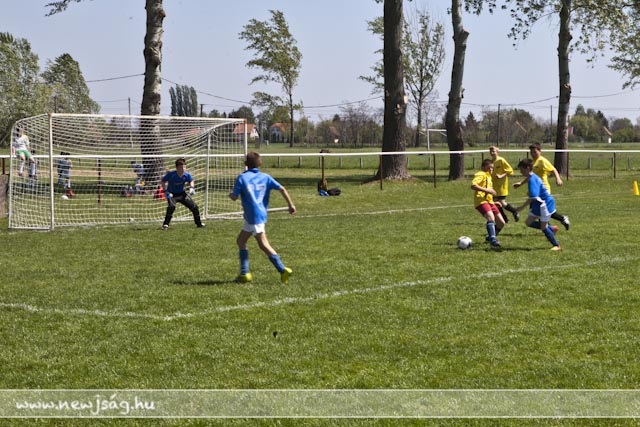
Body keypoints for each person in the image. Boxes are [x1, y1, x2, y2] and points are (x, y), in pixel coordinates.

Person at [229, 151, 296, 284]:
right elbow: (282, 189)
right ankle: (244, 273)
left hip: (253, 217)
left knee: (264, 245)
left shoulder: (242, 178)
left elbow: (234, 197)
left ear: (245, 163)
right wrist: (291, 205)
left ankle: (282, 270)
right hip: (256, 216)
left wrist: (231, 194)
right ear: (260, 163)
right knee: (241, 241)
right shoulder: (265, 177)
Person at [513, 143, 570, 230]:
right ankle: (557, 223)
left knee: (541, 212)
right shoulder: (532, 163)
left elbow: (553, 170)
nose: (533, 154)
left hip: (544, 189)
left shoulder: (542, 161)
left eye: (535, 152)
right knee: (541, 212)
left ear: (540, 151)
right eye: (531, 152)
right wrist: (521, 183)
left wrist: (558, 179)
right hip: (536, 190)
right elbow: (531, 176)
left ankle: (551, 228)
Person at [514, 158, 561, 251]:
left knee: (543, 227)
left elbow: (533, 197)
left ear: (527, 168)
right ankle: (552, 228)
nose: (520, 172)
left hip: (545, 204)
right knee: (528, 222)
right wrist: (520, 183)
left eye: (521, 169)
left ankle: (556, 245)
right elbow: (528, 179)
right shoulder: (531, 176)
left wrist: (521, 207)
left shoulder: (533, 180)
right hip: (538, 204)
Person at [160, 158, 205, 229]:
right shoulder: (171, 175)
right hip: (172, 195)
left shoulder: (186, 175)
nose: (183, 169)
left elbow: (191, 180)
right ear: (177, 168)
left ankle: (199, 224)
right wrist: (165, 191)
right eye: (181, 167)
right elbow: (163, 181)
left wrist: (192, 188)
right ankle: (165, 224)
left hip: (182, 194)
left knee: (195, 207)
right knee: (171, 207)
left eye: (184, 167)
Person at [471, 158, 505, 249]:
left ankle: (490, 237)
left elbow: (488, 192)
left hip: (489, 202)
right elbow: (473, 185)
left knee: (501, 223)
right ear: (483, 167)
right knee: (491, 218)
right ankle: (493, 240)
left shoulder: (489, 177)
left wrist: (494, 202)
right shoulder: (481, 174)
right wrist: (487, 190)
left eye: (492, 168)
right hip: (481, 201)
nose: (491, 170)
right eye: (488, 168)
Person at [489, 146, 519, 223]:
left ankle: (514, 211)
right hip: (494, 186)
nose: (492, 153)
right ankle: (504, 219)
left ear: (497, 152)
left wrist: (501, 175)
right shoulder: (491, 162)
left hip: (501, 186)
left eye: (494, 151)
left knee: (501, 202)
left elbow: (510, 171)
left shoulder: (501, 160)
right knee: (496, 203)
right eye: (491, 151)